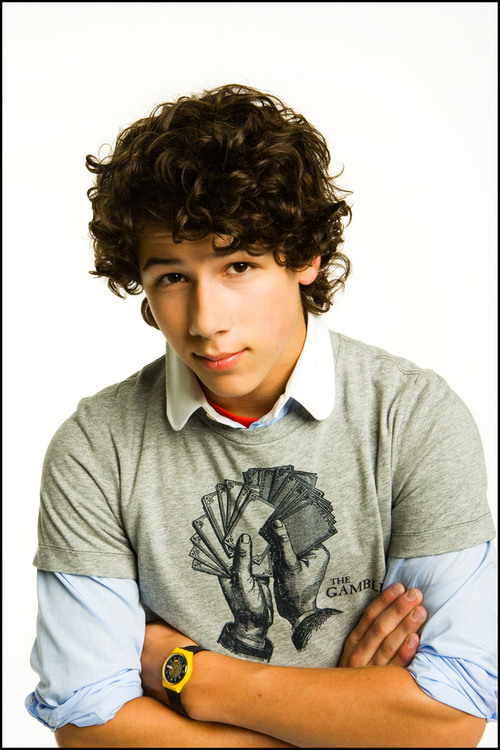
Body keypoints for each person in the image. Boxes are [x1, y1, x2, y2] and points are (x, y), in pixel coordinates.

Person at [25, 84, 496, 748]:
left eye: (238, 265)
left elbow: (452, 716)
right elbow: (88, 726)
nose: (205, 321)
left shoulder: (411, 417)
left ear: (305, 257)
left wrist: (194, 676)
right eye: (172, 277)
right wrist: (353, 723)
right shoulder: (96, 447)